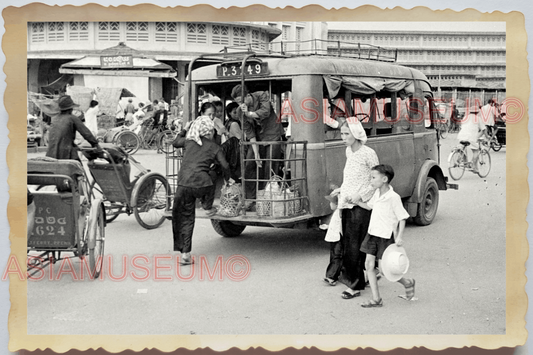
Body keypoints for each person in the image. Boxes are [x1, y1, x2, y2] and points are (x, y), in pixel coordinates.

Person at [324, 119, 379, 299]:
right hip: (346, 202)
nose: (343, 137)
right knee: (348, 244)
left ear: (356, 134)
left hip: (360, 206)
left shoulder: (368, 153)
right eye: (342, 134)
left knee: (355, 245)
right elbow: (352, 177)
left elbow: (376, 180)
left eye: (347, 134)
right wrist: (342, 189)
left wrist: (361, 196)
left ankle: (355, 286)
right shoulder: (349, 151)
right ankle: (358, 278)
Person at [170, 110, 231, 265]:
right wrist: (229, 179)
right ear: (209, 131)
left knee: (185, 219)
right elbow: (224, 165)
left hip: (183, 184)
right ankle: (207, 206)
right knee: (211, 175)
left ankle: (185, 254)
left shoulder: (189, 141)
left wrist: (185, 128)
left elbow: (176, 141)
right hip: (201, 185)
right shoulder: (215, 147)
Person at [355, 164, 415, 307]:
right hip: (372, 234)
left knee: (384, 270)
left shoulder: (393, 197)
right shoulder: (377, 193)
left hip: (386, 236)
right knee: (368, 265)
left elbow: (402, 217)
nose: (371, 180)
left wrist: (400, 236)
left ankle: (408, 282)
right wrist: (357, 202)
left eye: (373, 177)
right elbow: (370, 206)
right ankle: (376, 299)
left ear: (384, 179)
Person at [231, 84, 284, 210]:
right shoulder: (240, 112)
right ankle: (250, 198)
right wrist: (256, 154)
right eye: (237, 103)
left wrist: (249, 113)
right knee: (249, 163)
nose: (240, 105)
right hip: (257, 138)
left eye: (241, 101)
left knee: (270, 165)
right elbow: (249, 133)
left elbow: (265, 112)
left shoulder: (262, 95)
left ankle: (268, 198)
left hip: (272, 134)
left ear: (248, 96)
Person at [46, 95, 101, 161]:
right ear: (70, 109)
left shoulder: (54, 119)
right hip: (66, 153)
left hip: (50, 154)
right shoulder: (72, 118)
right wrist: (95, 144)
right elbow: (86, 133)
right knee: (78, 168)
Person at [457, 105, 486, 174]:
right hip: (471, 137)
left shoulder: (465, 117)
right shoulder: (478, 118)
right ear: (477, 112)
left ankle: (463, 161)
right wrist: (478, 137)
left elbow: (462, 126)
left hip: (461, 135)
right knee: (476, 150)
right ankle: (472, 165)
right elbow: (483, 130)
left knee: (463, 147)